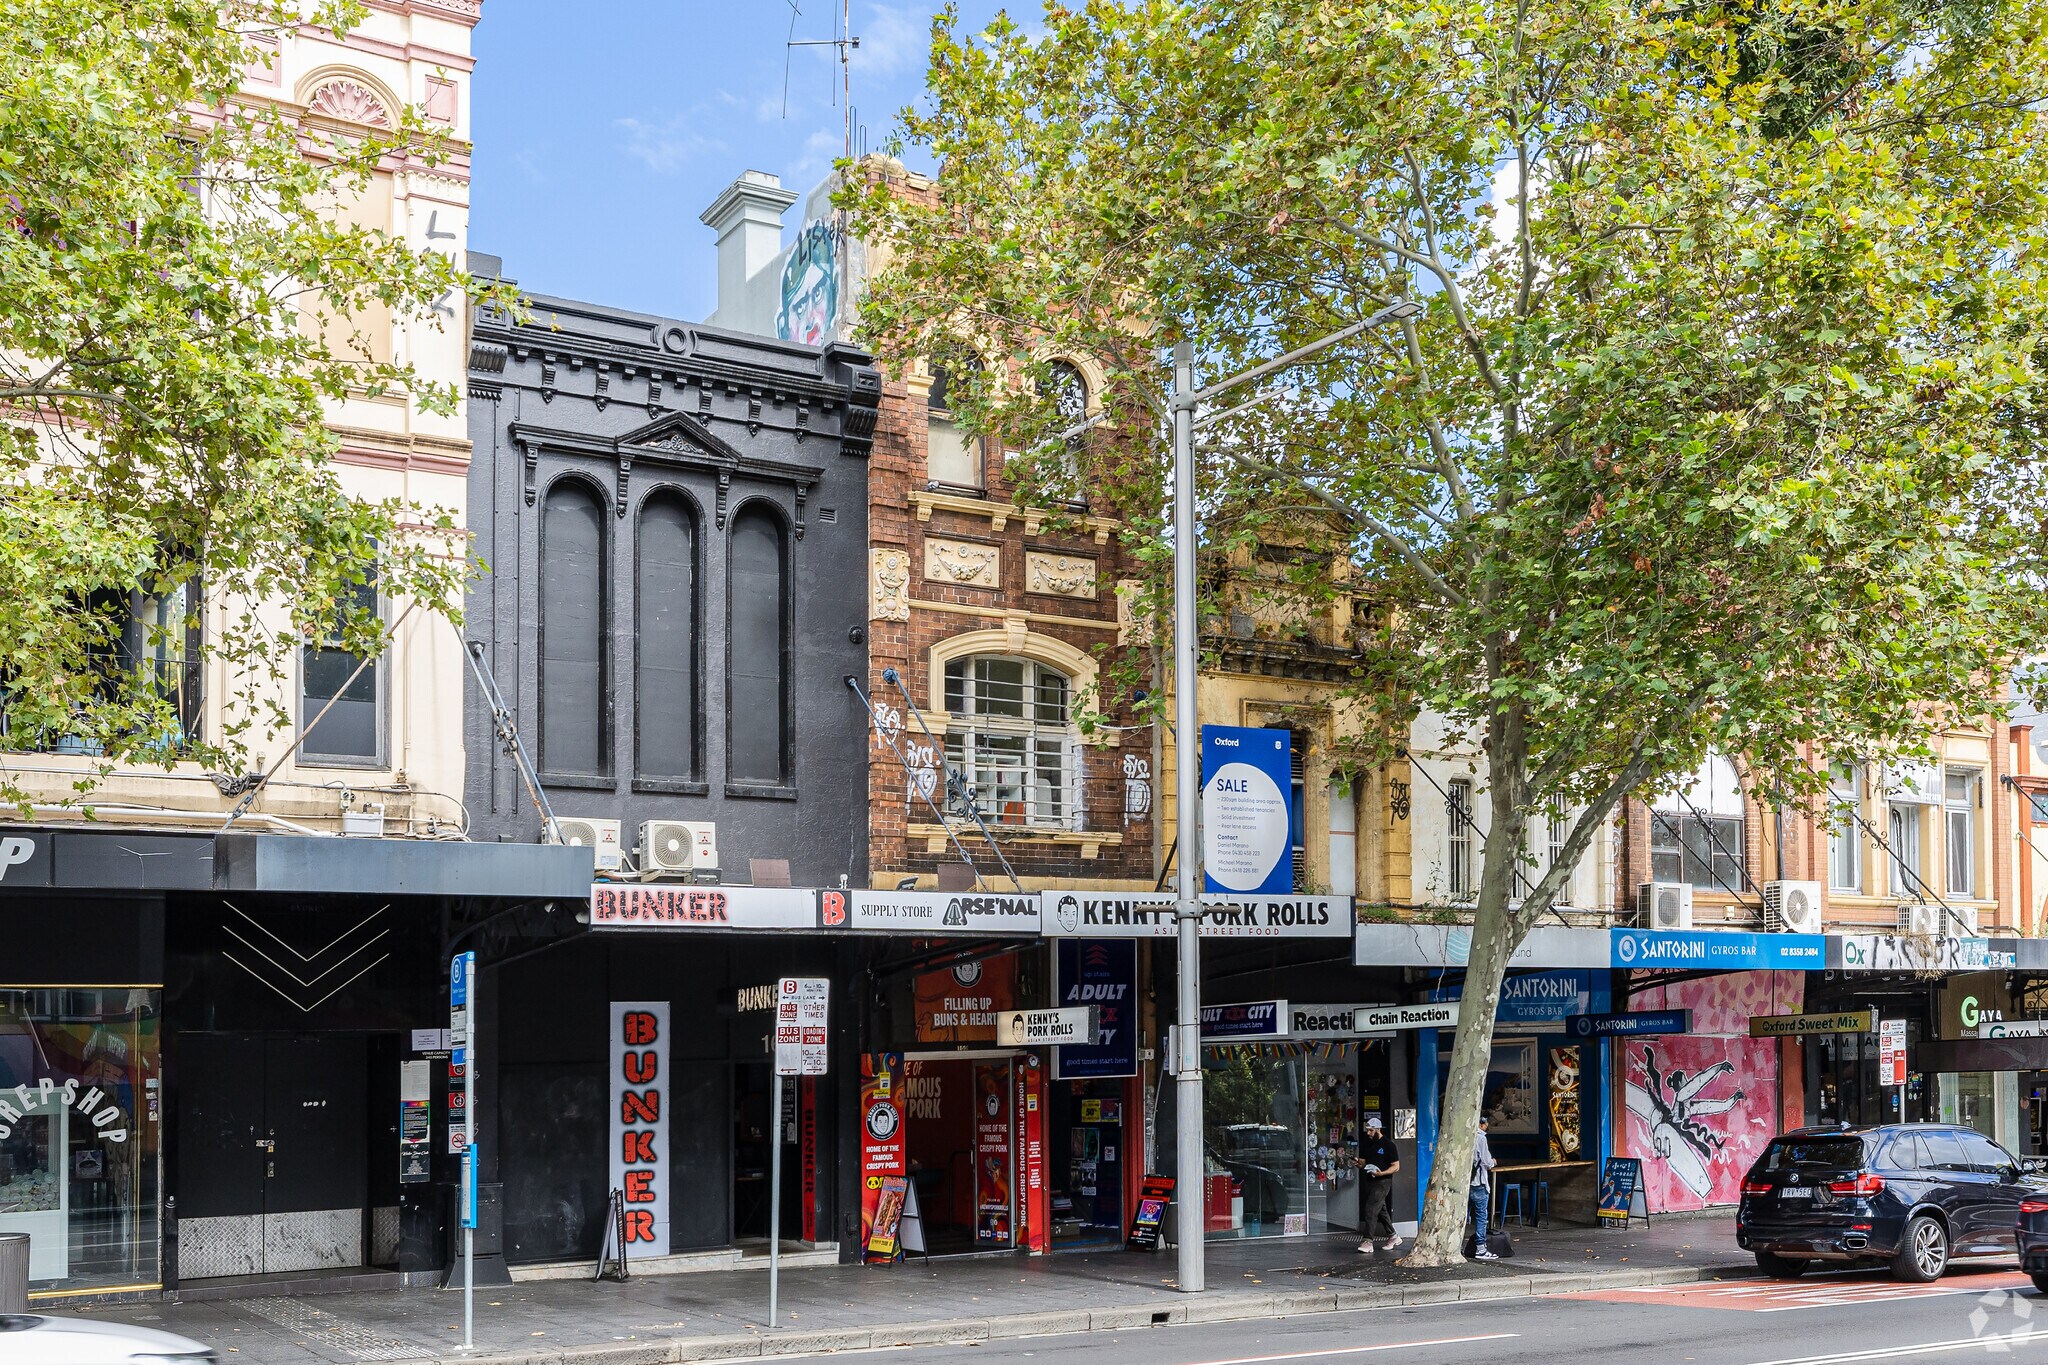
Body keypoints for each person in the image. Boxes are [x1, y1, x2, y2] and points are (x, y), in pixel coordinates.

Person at [1352, 1113, 1403, 1253]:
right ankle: (1393, 1236)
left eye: (1371, 1130)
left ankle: (1368, 1241)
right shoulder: (1367, 1143)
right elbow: (1364, 1163)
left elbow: (1396, 1166)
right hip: (1370, 1179)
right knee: (1381, 1209)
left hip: (1383, 1181)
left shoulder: (1388, 1145)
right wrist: (1358, 1163)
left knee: (1371, 1208)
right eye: (1367, 1130)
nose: (1368, 1133)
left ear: (1378, 1129)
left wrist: (1382, 1173)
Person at [1469, 1112, 1499, 1261]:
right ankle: (1480, 1249)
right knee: (1481, 1217)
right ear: (1482, 1124)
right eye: (1486, 1124)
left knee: (1464, 1216)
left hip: (1465, 1184)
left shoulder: (1465, 1135)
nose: (1487, 1126)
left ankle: (1457, 1245)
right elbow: (1486, 1162)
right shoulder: (1481, 1138)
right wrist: (1493, 1162)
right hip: (1479, 1183)